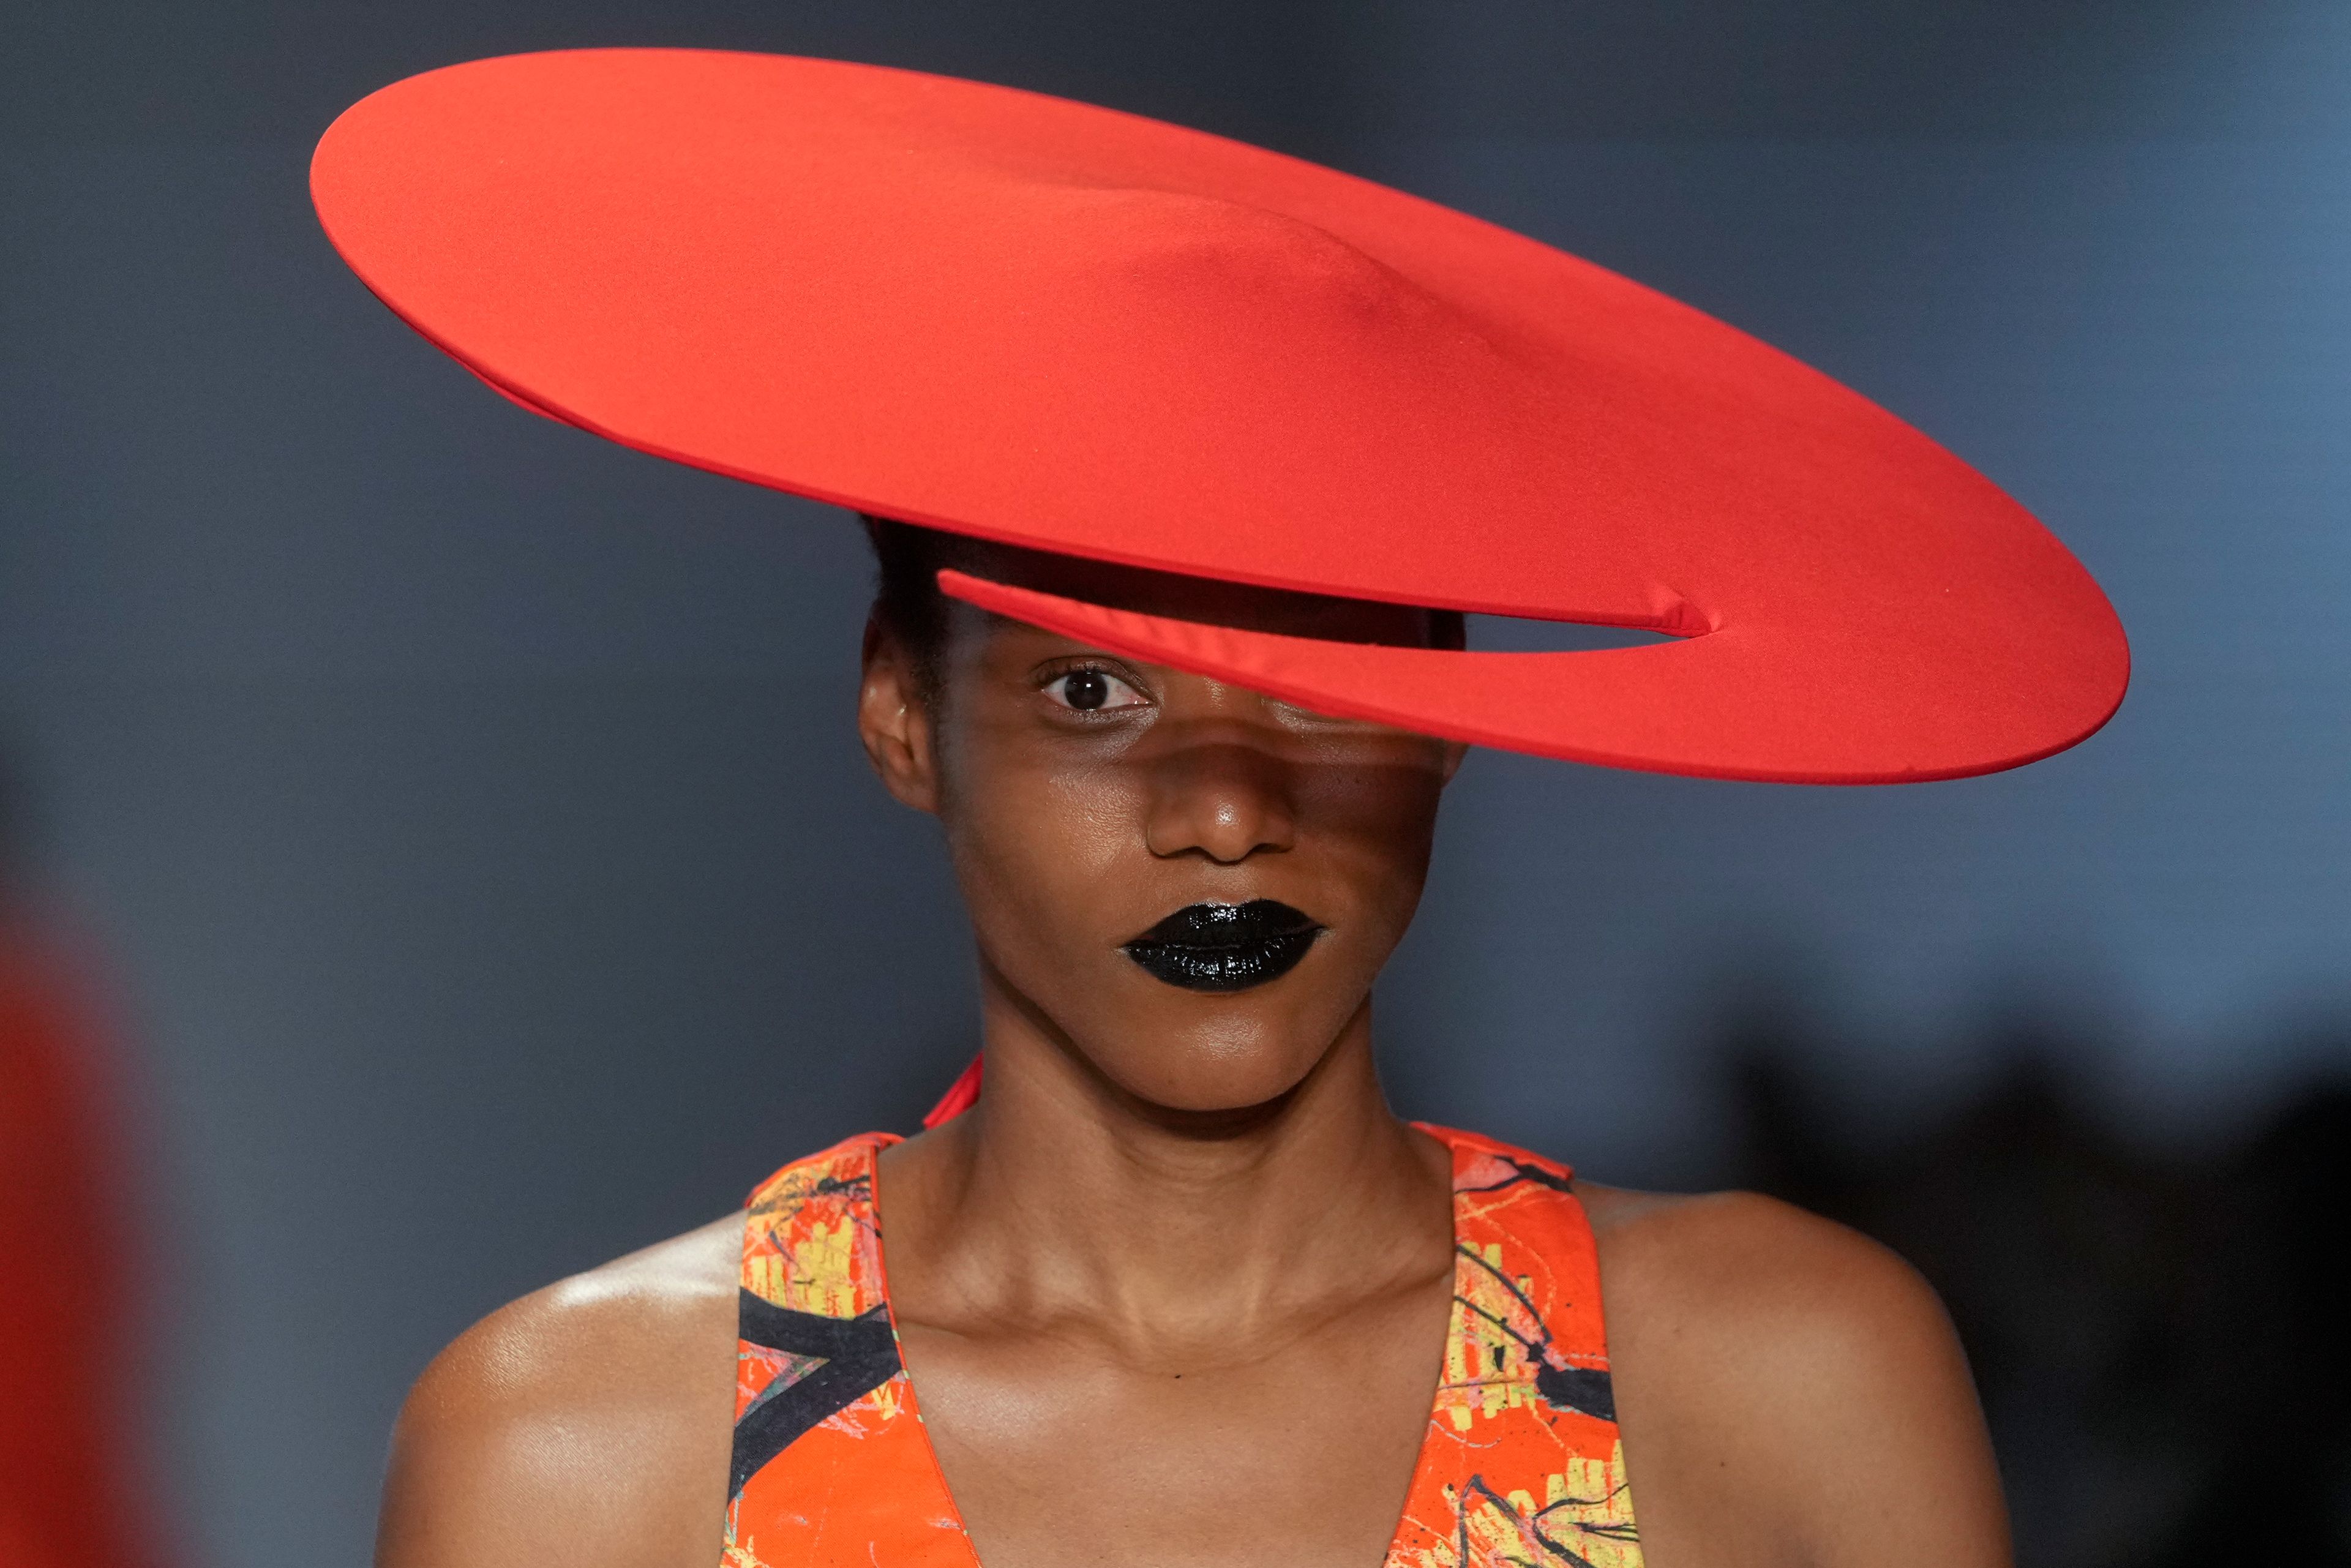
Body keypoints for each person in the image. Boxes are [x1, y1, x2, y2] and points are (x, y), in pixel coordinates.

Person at [313, 50, 2128, 1568]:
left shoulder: (1773, 1380)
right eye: (1094, 689)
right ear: (902, 713)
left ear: (1454, 716)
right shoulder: (585, 1458)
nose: (1227, 812)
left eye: (1334, 690)